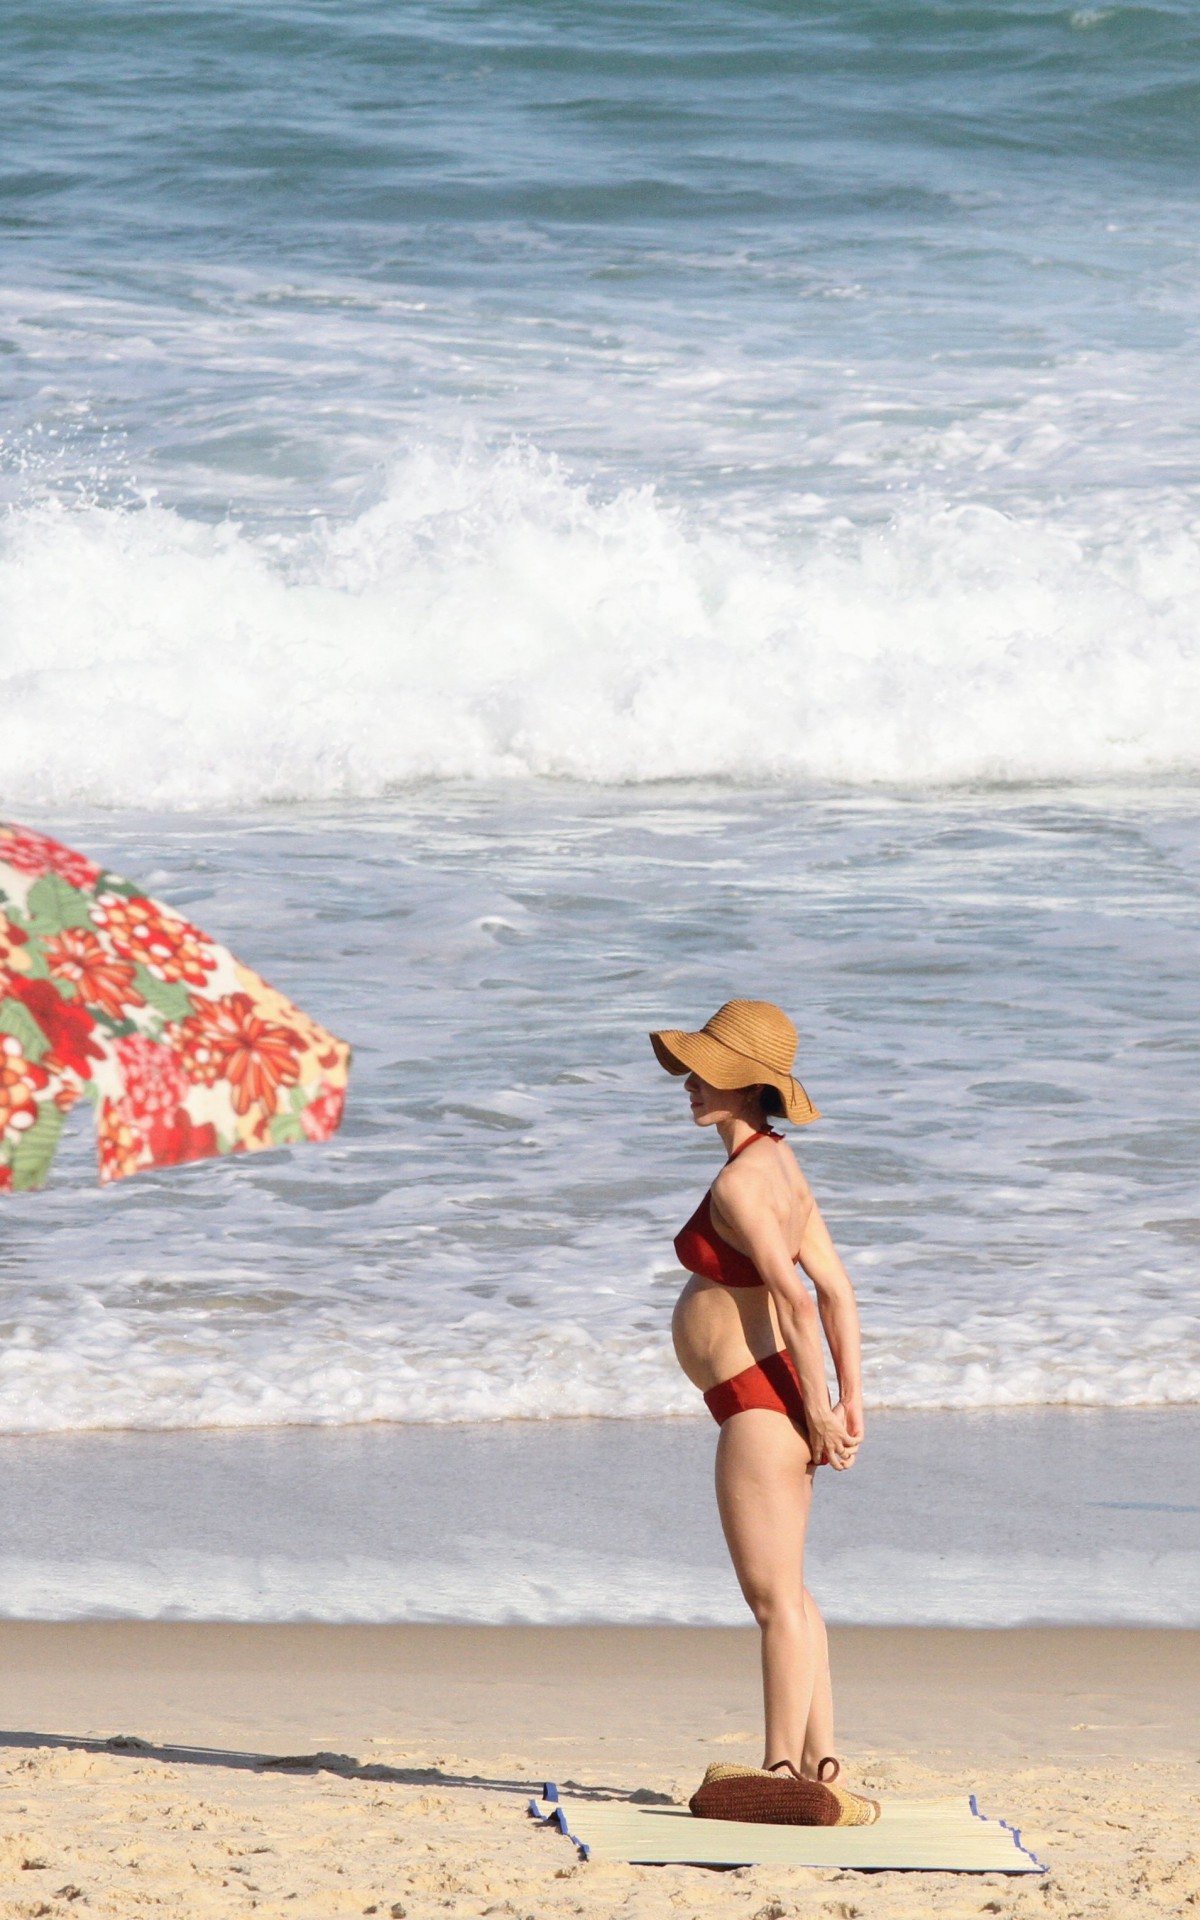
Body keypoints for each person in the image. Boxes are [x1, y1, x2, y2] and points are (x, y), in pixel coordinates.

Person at [650, 999, 879, 1827]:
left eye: (704, 1069)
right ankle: (820, 1762)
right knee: (793, 1592)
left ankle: (781, 1768)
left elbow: (798, 1301)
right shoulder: (780, 1165)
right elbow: (839, 1289)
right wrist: (848, 1401)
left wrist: (822, 1411)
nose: (687, 1082)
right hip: (778, 1394)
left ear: (747, 1087)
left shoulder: (743, 1182)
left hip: (761, 1403)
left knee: (773, 1599)